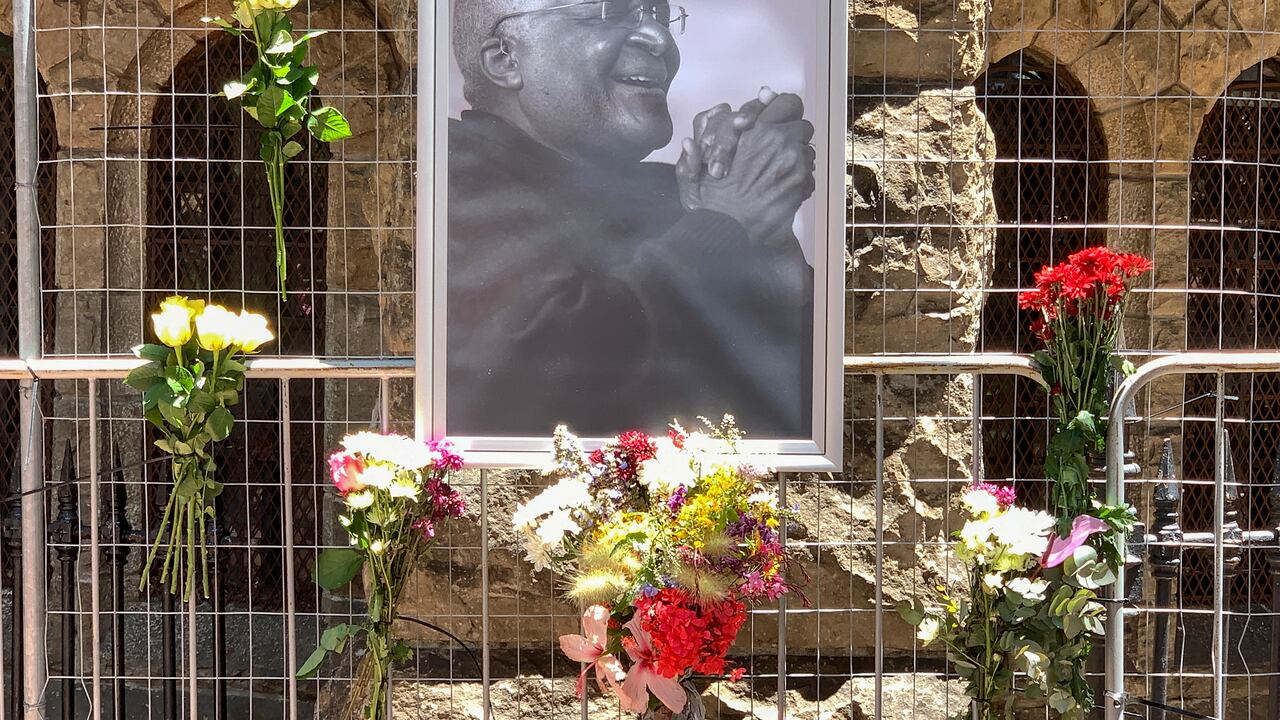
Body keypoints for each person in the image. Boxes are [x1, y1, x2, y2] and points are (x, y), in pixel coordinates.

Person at [447, 0, 817, 438]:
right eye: (609, 11)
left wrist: (772, 255)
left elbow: (796, 423)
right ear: (505, 59)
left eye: (659, 14)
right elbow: (527, 389)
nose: (660, 39)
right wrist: (724, 224)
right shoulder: (447, 178)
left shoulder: (674, 195)